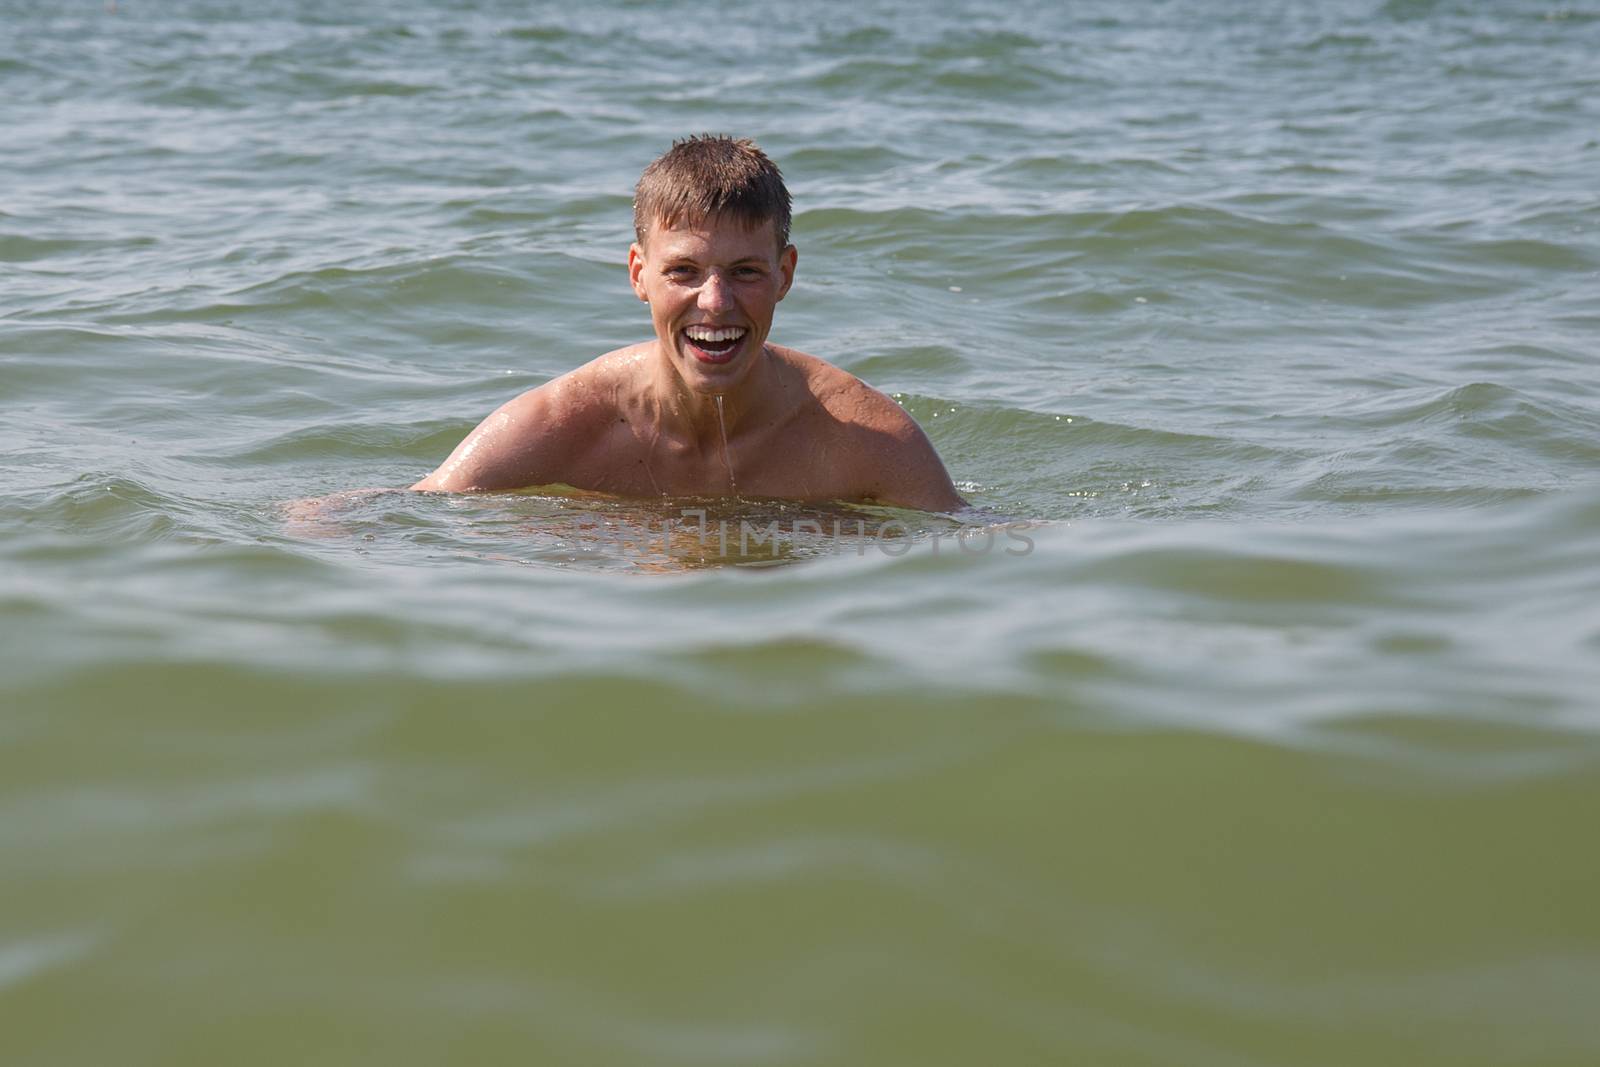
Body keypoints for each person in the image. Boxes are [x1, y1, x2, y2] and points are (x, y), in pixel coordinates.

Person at [411, 135, 965, 513]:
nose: (716, 302)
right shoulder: (563, 423)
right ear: (638, 274)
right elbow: (411, 513)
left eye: (745, 271)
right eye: (684, 271)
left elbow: (975, 540)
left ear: (785, 274)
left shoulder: (863, 439)